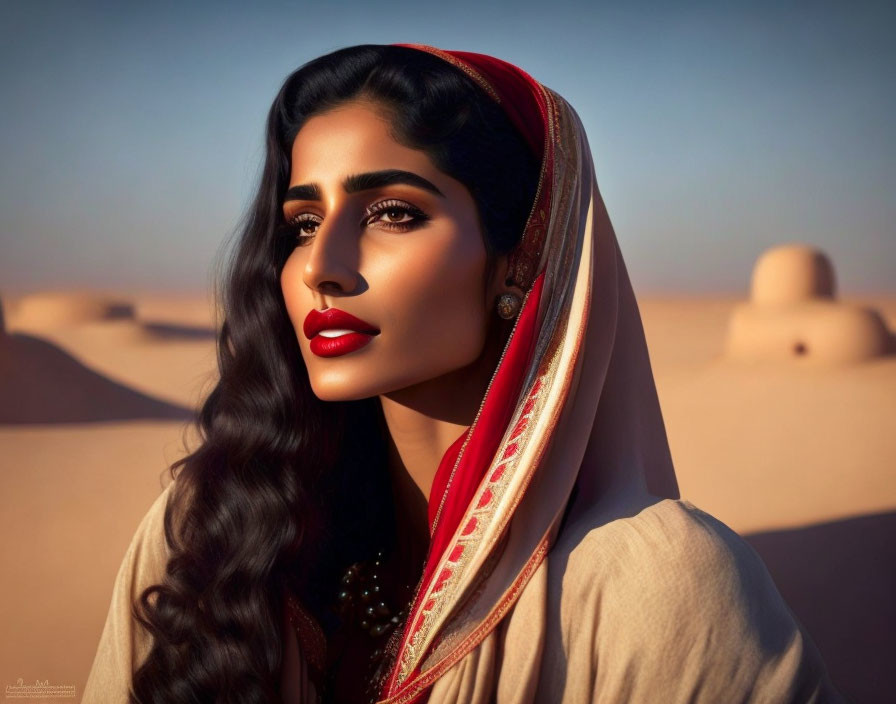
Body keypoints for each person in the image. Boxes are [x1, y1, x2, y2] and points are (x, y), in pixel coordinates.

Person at [82, 43, 845, 704]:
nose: (322, 267)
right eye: (303, 224)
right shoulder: (212, 526)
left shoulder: (658, 586)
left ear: (522, 255)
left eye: (393, 212)